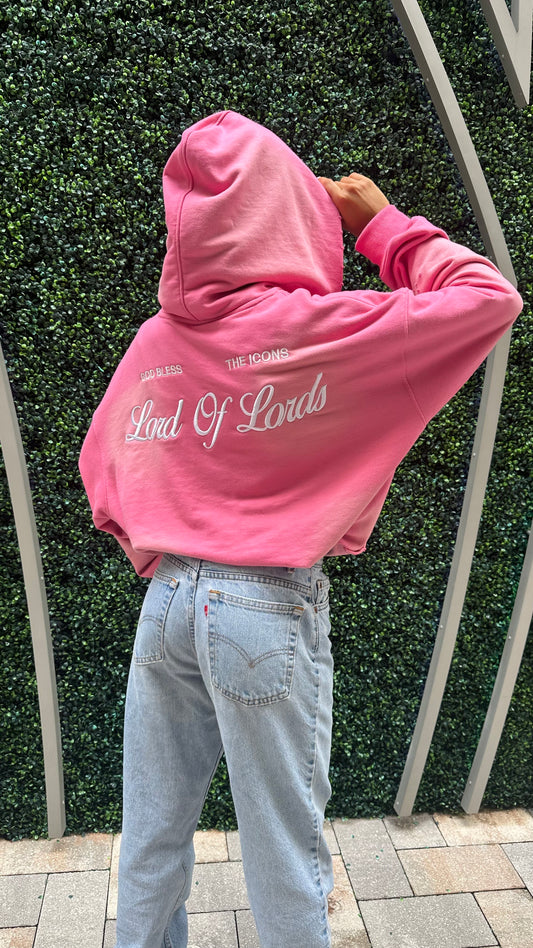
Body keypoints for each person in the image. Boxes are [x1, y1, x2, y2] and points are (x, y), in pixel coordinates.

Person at [79, 110, 522, 948]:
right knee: (284, 846)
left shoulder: (158, 341)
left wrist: (159, 541)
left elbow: (102, 460)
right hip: (263, 607)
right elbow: (486, 300)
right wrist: (381, 225)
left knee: (151, 831)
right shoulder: (331, 330)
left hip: (169, 601)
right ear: (289, 214)